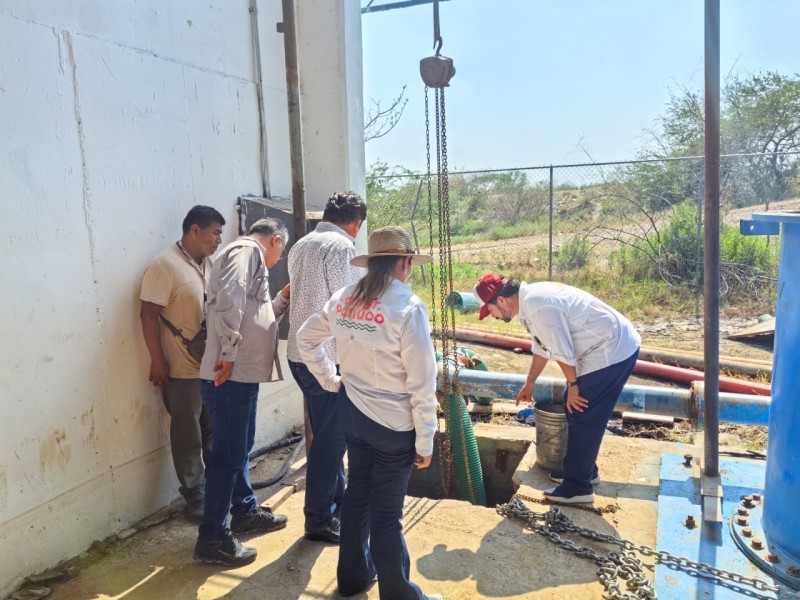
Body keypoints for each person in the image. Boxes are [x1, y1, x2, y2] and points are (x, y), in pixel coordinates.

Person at [297, 226, 443, 600]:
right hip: (393, 425)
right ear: (405, 263)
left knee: (358, 496)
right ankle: (398, 593)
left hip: (354, 415)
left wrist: (331, 380)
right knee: (387, 514)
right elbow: (422, 380)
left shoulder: (344, 298)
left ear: (371, 263)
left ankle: (353, 579)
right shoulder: (407, 307)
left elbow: (305, 338)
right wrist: (426, 439)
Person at [474, 274, 641, 505]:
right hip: (603, 345)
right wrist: (530, 382)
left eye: (490, 310)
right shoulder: (529, 303)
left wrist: (574, 386)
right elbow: (542, 347)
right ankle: (584, 471)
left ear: (501, 301)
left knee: (582, 410)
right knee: (572, 405)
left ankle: (578, 487)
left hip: (611, 349)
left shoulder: (538, 306)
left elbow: (562, 352)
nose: (492, 316)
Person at [193, 218, 291, 567]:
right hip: (228, 376)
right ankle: (212, 539)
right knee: (228, 457)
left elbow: (255, 315)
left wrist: (281, 299)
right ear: (275, 241)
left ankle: (244, 512)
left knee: (237, 450)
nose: (277, 261)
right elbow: (230, 297)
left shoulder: (248, 256)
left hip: (239, 377)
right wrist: (229, 352)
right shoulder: (247, 250)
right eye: (281, 252)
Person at [286, 191, 367, 544]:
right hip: (327, 359)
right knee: (332, 443)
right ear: (356, 223)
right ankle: (318, 520)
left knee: (327, 435)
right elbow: (350, 307)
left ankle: (336, 503)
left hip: (299, 355)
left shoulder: (300, 245)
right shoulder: (343, 248)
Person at [140, 205, 225, 520]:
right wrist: (157, 360)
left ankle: (217, 488)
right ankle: (195, 495)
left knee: (213, 428)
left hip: (209, 364)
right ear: (195, 230)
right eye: (215, 233)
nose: (219, 240)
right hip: (180, 367)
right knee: (188, 433)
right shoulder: (164, 266)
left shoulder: (207, 263)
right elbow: (148, 315)